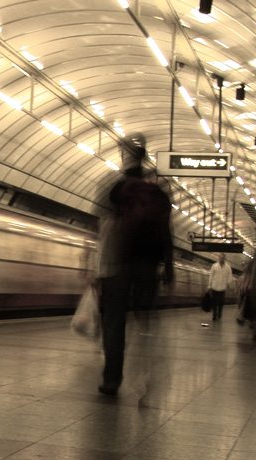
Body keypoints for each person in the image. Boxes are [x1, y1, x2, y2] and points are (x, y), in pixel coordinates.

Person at [92, 135, 173, 396]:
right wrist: (169, 265)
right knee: (145, 320)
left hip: (118, 263)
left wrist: (97, 267)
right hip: (148, 265)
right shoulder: (159, 191)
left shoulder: (115, 188)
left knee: (114, 322)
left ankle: (112, 379)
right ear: (144, 157)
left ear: (124, 157)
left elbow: (104, 228)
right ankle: (145, 375)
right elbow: (166, 230)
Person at [207, 254, 233, 320]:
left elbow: (229, 277)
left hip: (222, 287)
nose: (221, 259)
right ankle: (214, 315)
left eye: (223, 258)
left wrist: (230, 286)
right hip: (214, 286)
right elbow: (211, 276)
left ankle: (219, 313)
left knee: (221, 302)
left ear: (224, 259)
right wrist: (209, 285)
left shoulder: (228, 267)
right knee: (214, 302)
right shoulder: (214, 266)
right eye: (220, 257)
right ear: (218, 258)